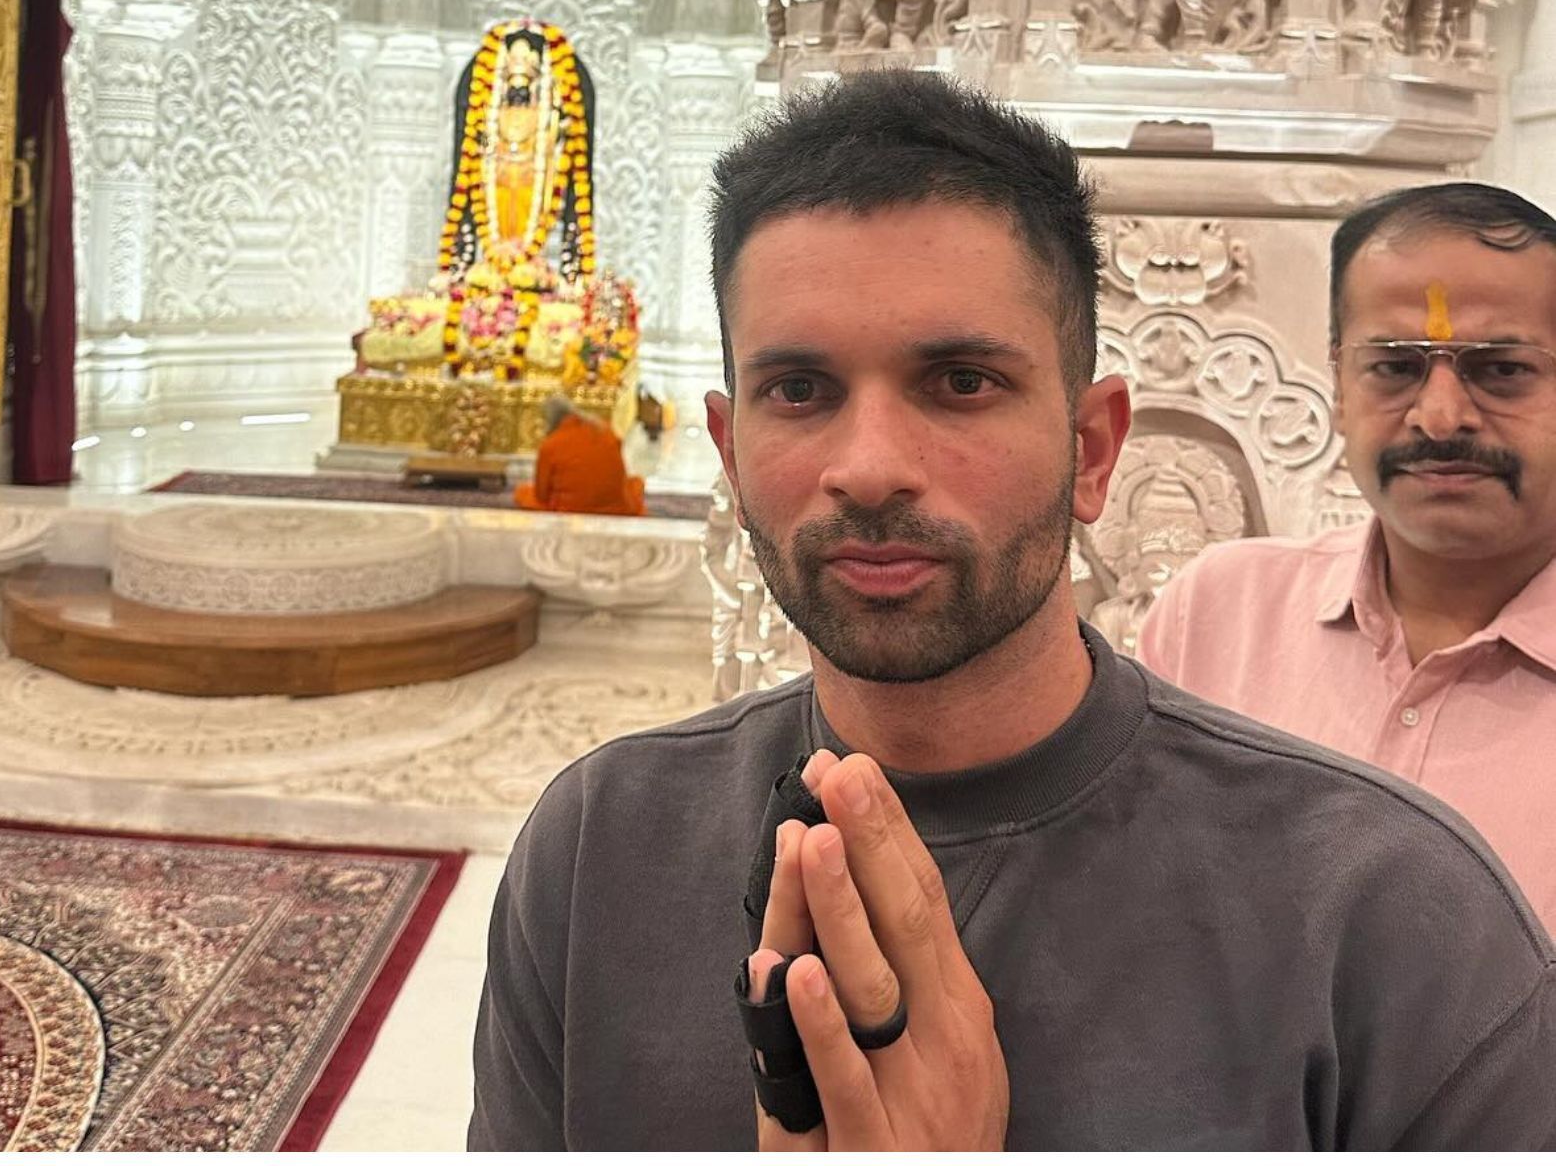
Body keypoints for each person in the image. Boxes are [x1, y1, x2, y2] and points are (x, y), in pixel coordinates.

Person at [469, 73, 1556, 1150]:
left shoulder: (1396, 915)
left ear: (1090, 450)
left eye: (959, 383)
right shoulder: (598, 850)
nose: (870, 469)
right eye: (799, 391)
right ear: (730, 451)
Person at [1139, 182, 1556, 927]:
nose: (1439, 417)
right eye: (1395, 368)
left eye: (1501, 369)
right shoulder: (1219, 613)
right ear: (1337, 382)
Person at [513, 392, 647, 516]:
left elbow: (541, 494)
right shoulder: (605, 430)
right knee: (636, 483)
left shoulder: (550, 445)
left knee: (523, 492)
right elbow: (620, 475)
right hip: (615, 507)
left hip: (570, 508)